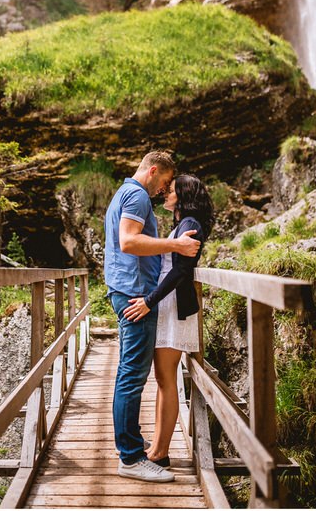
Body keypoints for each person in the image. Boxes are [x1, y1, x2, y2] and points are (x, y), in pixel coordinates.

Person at [103, 151, 201, 483]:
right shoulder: (136, 195)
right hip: (134, 293)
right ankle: (131, 458)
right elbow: (129, 241)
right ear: (154, 170)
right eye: (163, 183)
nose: (163, 190)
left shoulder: (124, 192)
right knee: (131, 377)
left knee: (128, 374)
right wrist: (174, 246)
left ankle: (130, 444)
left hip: (125, 290)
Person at [122, 174, 213, 469]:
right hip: (167, 300)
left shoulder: (190, 225)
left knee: (166, 379)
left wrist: (149, 302)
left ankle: (160, 451)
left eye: (171, 190)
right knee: (163, 380)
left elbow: (180, 272)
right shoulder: (184, 224)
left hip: (172, 303)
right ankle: (158, 447)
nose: (165, 193)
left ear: (184, 195)